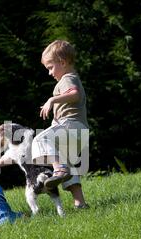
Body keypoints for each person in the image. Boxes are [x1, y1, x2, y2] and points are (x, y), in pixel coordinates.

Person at [32, 39, 89, 209]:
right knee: (70, 165)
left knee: (39, 140)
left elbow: (74, 94)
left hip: (71, 126)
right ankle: (80, 203)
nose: (49, 73)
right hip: (79, 131)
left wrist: (52, 99)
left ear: (62, 62)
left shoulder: (67, 79)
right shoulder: (71, 77)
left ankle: (59, 169)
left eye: (50, 67)